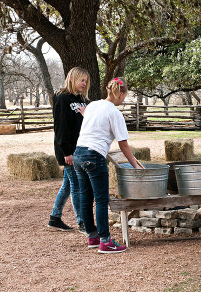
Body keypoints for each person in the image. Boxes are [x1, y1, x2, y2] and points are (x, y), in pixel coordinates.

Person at [73, 77, 142, 254]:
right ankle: (105, 241)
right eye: (124, 96)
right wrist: (135, 165)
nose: (124, 100)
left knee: (85, 198)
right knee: (102, 199)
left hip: (78, 154)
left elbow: (91, 121)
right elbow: (123, 144)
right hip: (94, 155)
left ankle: (93, 236)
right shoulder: (114, 112)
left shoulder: (93, 105)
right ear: (120, 93)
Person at [48, 67, 89, 233]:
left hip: (79, 148)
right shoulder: (62, 98)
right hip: (68, 150)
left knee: (68, 184)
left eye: (86, 81)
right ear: (73, 79)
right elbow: (61, 128)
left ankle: (55, 217)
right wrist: (67, 152)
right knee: (77, 185)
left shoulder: (81, 99)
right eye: (82, 80)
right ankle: (82, 222)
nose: (84, 84)